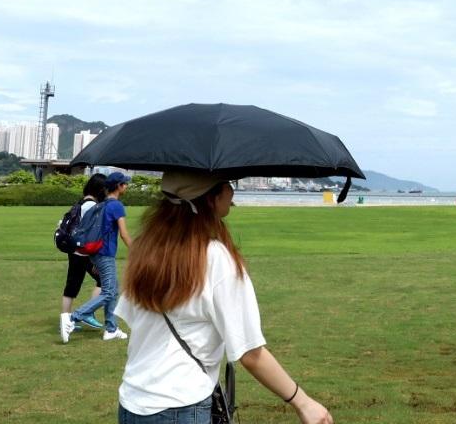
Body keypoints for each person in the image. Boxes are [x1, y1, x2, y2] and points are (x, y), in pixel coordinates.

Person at [115, 170, 333, 424]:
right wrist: (303, 402)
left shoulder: (147, 250)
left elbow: (134, 319)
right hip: (179, 407)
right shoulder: (215, 257)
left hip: (132, 402)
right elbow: (250, 353)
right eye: (226, 184)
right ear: (210, 198)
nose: (232, 191)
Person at [71, 170, 133, 340]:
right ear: (119, 187)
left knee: (113, 290)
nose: (126, 186)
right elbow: (124, 234)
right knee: (108, 291)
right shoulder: (117, 206)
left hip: (95, 252)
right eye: (125, 184)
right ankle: (75, 316)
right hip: (105, 253)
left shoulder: (103, 204)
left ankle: (111, 329)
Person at [60, 173, 108, 343]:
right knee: (103, 280)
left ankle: (67, 320)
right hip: (83, 252)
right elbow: (92, 232)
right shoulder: (91, 205)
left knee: (71, 286)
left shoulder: (81, 202)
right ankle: (86, 312)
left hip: (75, 250)